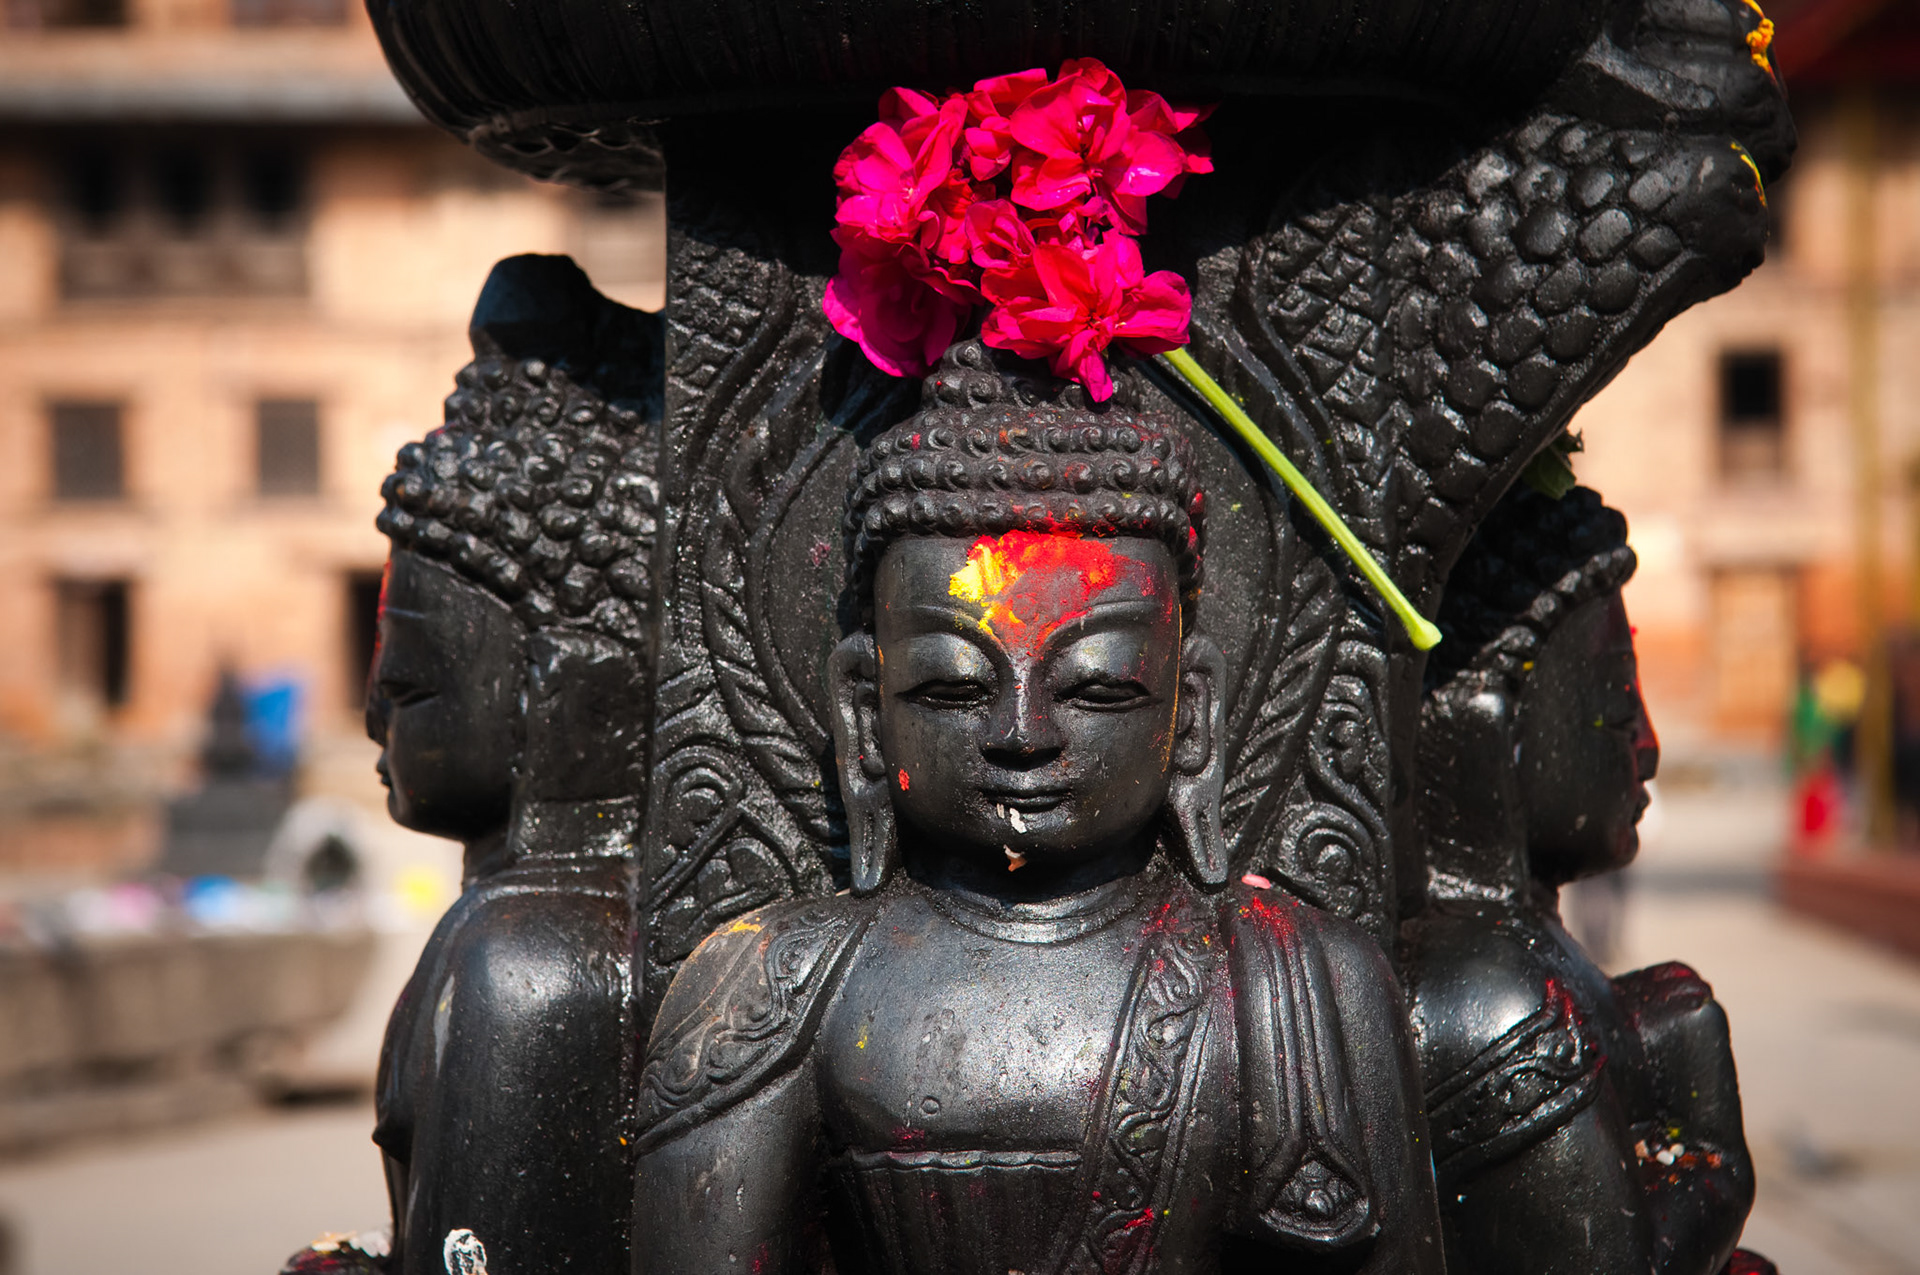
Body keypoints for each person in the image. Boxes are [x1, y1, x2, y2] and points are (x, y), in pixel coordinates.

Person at [630, 340, 1444, 1275]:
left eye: (1096, 688)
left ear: (1191, 715)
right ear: (864, 713)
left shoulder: (1301, 983)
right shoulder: (770, 986)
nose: (1022, 732)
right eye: (952, 686)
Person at [285, 256, 662, 1275]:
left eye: (411, 683)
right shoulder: (536, 926)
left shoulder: (526, 961)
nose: (374, 713)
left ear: (558, 686)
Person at [1402, 486, 1768, 1275]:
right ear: (1491, 722)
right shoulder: (1495, 998)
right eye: (1615, 707)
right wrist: (1711, 1157)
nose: (1648, 747)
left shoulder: (1528, 953)